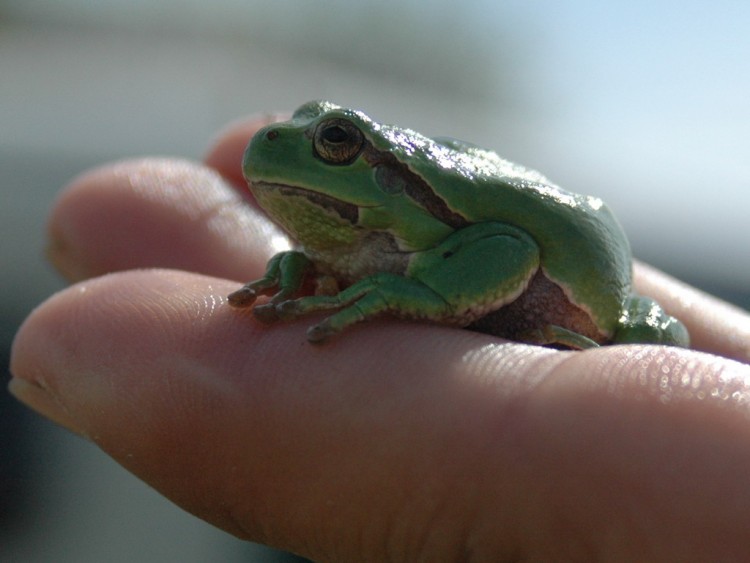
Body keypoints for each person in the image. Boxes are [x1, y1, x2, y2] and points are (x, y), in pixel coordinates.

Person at [9, 115, 750, 562]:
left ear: (383, 174)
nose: (278, 141)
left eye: (331, 141)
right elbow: (338, 254)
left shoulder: (438, 222)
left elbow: (512, 252)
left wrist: (416, 291)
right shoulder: (372, 229)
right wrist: (299, 266)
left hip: (586, 307)